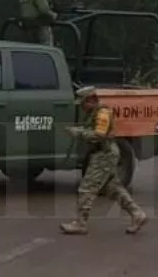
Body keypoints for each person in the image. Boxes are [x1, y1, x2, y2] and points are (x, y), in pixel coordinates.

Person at [60, 87, 148, 235]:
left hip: (104, 154)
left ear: (91, 100)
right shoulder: (94, 113)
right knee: (112, 188)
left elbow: (99, 135)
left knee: (87, 188)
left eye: (83, 103)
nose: (81, 107)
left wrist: (79, 133)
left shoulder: (103, 114)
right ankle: (137, 214)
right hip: (103, 153)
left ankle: (81, 223)